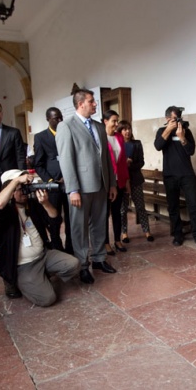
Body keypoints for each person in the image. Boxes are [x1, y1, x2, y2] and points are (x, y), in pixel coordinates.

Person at [0, 170, 80, 306]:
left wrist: (46, 204)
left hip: (43, 255)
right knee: (47, 299)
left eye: (25, 188)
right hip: (23, 265)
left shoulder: (32, 205)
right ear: (10, 191)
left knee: (74, 264)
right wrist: (16, 181)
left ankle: (40, 277)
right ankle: (15, 280)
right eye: (20, 189)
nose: (24, 192)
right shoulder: (6, 212)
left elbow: (55, 221)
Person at [55, 89, 118, 284]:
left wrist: (112, 184)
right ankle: (83, 264)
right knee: (79, 228)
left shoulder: (99, 127)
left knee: (100, 223)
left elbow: (106, 157)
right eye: (92, 101)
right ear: (81, 103)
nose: (95, 105)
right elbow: (66, 160)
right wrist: (72, 189)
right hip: (80, 188)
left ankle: (99, 259)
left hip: (101, 184)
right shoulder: (66, 126)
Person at [154, 106, 196, 247]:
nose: (177, 121)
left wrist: (182, 137)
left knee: (193, 206)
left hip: (186, 174)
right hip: (170, 175)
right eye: (174, 119)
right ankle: (177, 235)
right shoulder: (161, 131)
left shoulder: (186, 131)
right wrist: (168, 130)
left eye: (178, 118)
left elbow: (191, 151)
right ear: (167, 119)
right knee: (173, 207)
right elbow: (158, 146)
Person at [33, 107, 73, 254]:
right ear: (48, 119)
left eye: (60, 117)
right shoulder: (41, 137)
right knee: (54, 218)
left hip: (69, 184)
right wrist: (51, 181)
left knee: (70, 218)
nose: (59, 120)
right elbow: (38, 164)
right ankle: (57, 247)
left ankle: (71, 247)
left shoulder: (68, 134)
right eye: (56, 118)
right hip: (53, 185)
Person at [118, 120, 154, 243]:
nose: (127, 131)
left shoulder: (137, 143)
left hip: (136, 180)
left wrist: (130, 164)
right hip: (122, 181)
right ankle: (124, 232)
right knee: (123, 209)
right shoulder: (117, 144)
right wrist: (123, 165)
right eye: (124, 129)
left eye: (129, 128)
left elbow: (141, 162)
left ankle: (147, 231)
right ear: (120, 131)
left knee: (140, 206)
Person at [102, 111, 129, 254]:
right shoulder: (101, 138)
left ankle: (117, 240)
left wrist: (126, 181)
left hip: (119, 181)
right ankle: (106, 243)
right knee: (105, 214)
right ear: (105, 121)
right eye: (113, 121)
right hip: (106, 183)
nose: (116, 124)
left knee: (117, 212)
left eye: (117, 121)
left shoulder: (119, 137)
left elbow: (123, 162)